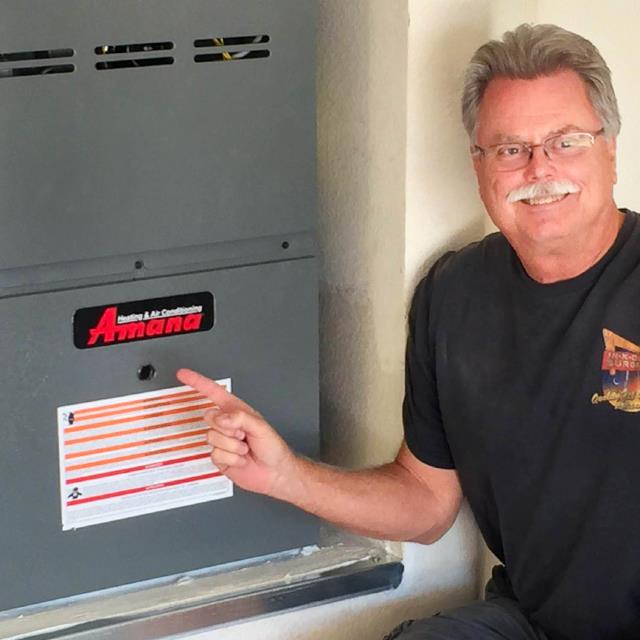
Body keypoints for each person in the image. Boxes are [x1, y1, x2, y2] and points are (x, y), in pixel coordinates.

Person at [178, 23, 640, 639]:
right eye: (509, 149)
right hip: (532, 622)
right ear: (480, 165)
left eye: (566, 141)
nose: (539, 168)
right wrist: (288, 475)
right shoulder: (454, 293)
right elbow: (425, 502)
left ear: (609, 148)